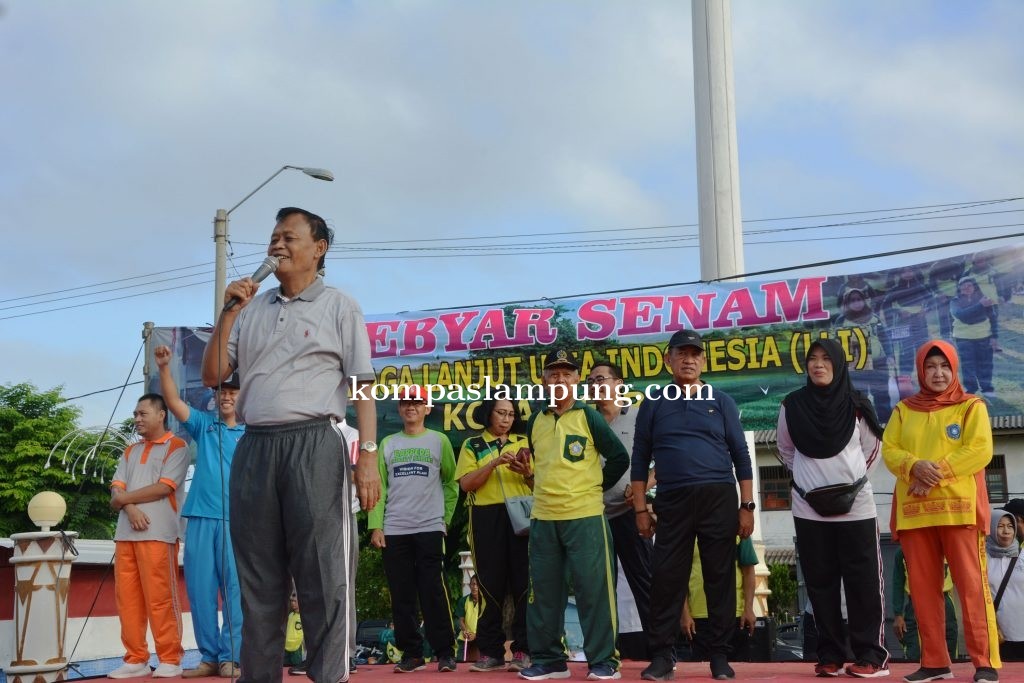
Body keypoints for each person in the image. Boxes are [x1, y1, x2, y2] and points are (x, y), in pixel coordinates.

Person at [201, 206, 379, 683]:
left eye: (288, 237)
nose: (277, 244)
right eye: (273, 237)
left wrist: (369, 458)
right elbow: (213, 374)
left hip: (315, 444)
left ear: (318, 249)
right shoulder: (250, 309)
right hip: (255, 445)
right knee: (258, 581)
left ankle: (330, 677)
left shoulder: (340, 305)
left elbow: (362, 384)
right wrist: (228, 312)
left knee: (323, 576)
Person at [633, 329, 754, 682]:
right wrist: (641, 509)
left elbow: (742, 456)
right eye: (681, 354)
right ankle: (662, 655)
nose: (689, 359)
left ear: (703, 361)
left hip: (719, 495)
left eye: (695, 354)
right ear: (668, 359)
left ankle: (719, 655)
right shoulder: (653, 402)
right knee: (667, 578)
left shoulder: (722, 400)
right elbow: (640, 459)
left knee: (719, 576)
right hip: (673, 498)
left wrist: (747, 505)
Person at [882, 340, 1000, 683]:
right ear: (920, 370)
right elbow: (891, 450)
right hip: (915, 513)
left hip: (959, 511)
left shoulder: (970, 406)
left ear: (954, 369)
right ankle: (935, 662)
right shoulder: (904, 410)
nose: (938, 373)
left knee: (972, 587)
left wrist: (933, 473)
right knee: (922, 589)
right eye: (930, 367)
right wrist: (913, 465)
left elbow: (980, 449)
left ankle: (984, 662)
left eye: (944, 366)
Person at [776, 339, 889, 678]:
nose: (818, 364)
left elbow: (871, 451)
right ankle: (830, 656)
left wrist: (846, 485)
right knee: (820, 584)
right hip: (809, 509)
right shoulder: (791, 405)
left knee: (863, 583)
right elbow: (785, 450)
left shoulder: (857, 404)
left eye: (826, 359)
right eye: (812, 359)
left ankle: (870, 656)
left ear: (839, 365)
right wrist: (813, 485)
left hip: (856, 508)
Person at [518, 346, 629, 682]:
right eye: (554, 373)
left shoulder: (588, 416)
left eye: (567, 373)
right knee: (543, 594)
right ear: (544, 380)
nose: (560, 379)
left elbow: (620, 458)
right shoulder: (536, 420)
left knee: (593, 591)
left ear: (577, 379)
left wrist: (593, 487)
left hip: (585, 516)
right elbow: (541, 466)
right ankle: (550, 660)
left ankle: (604, 660)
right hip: (543, 518)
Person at [155, 344, 245, 678]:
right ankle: (209, 657)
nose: (227, 398)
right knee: (201, 591)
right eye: (222, 392)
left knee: (235, 592)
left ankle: (231, 657)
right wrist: (164, 369)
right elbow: (176, 404)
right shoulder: (204, 425)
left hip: (238, 523)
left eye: (233, 392)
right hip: (202, 518)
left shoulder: (253, 433)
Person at [369, 385, 459, 674]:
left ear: (427, 408)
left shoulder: (440, 441)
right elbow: (377, 489)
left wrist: (444, 518)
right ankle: (412, 653)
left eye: (418, 403)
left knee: (433, 590)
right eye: (406, 403)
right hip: (394, 529)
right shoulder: (388, 444)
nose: (411, 407)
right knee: (402, 593)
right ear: (399, 408)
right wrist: (375, 526)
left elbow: (451, 482)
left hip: (430, 527)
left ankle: (445, 652)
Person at [107, 394, 189, 679]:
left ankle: (170, 657)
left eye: (142, 413)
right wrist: (129, 508)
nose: (137, 419)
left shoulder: (177, 447)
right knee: (127, 599)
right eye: (135, 414)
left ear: (161, 414)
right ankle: (136, 658)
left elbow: (164, 488)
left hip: (159, 534)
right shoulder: (129, 451)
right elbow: (115, 491)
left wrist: (123, 500)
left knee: (161, 598)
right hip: (125, 535)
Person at [454, 395, 533, 672]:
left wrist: (526, 472)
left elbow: (537, 482)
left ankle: (524, 650)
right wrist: (494, 463)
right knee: (489, 584)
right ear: (488, 414)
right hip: (485, 516)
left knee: (525, 584)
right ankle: (491, 652)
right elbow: (466, 485)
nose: (506, 419)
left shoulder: (524, 442)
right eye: (501, 413)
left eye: (511, 415)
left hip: (522, 513)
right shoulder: (472, 444)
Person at [587, 361, 653, 644]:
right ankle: (605, 653)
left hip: (631, 512)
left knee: (646, 581)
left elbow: (664, 459)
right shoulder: (584, 421)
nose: (595, 386)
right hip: (593, 516)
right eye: (590, 381)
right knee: (599, 588)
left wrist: (642, 489)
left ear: (619, 384)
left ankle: (661, 652)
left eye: (601, 379)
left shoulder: (639, 417)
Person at [679, 537, 756, 663]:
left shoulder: (738, 525)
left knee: (738, 672)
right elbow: (679, 576)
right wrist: (684, 614)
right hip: (698, 619)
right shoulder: (687, 530)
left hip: (734, 616)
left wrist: (748, 608)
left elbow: (748, 571)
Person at [833, 287, 895, 423]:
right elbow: (836, 343)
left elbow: (884, 337)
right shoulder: (841, 321)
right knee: (859, 397)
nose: (856, 303)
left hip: (878, 363)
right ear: (847, 303)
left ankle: (886, 425)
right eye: (852, 300)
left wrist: (890, 355)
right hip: (856, 365)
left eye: (859, 299)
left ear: (864, 300)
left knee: (882, 395)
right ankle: (862, 426)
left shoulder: (874, 317)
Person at [891, 547, 958, 662]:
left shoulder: (948, 545)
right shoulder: (903, 551)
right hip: (916, 604)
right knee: (915, 652)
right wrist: (898, 614)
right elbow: (897, 583)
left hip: (944, 600)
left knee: (949, 650)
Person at [883, 266, 934, 380]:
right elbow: (885, 305)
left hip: (920, 322)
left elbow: (931, 300)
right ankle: (905, 379)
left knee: (923, 349)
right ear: (900, 274)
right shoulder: (896, 289)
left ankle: (926, 377)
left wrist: (926, 310)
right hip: (903, 323)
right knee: (905, 352)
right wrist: (898, 311)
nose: (907, 273)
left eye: (910, 270)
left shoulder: (921, 287)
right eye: (904, 271)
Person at [986, 509, 1024, 662]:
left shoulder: (1022, 555)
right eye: (1000, 526)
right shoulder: (982, 557)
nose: (1006, 531)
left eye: (1010, 526)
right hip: (998, 634)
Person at [950, 277, 997, 396]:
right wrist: (980, 306)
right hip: (963, 338)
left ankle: (987, 388)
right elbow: (962, 315)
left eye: (969, 285)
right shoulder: (954, 301)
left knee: (985, 363)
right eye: (963, 286)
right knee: (968, 365)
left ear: (974, 287)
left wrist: (994, 336)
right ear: (959, 288)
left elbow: (993, 318)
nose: (966, 288)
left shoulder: (984, 299)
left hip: (984, 336)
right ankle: (970, 389)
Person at [455, 575, 484, 663]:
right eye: (472, 584)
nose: (474, 587)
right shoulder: (463, 601)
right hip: (466, 633)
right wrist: (465, 631)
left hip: (480, 633)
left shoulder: (484, 601)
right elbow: (461, 620)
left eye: (477, 585)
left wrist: (476, 634)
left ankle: (485, 662)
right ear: (469, 585)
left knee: (485, 643)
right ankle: (459, 663)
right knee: (460, 648)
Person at [285, 593, 305, 673]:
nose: (293, 603)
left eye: (295, 601)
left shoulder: (304, 616)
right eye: (292, 601)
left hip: (297, 648)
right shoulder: (290, 615)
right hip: (286, 647)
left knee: (296, 670)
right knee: (285, 670)